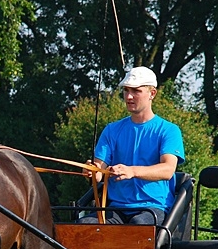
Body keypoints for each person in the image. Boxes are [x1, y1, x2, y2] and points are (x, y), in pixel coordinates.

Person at [79, 66, 185, 225]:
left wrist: (132, 171)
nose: (129, 96)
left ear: (152, 93)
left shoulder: (169, 130)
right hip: (115, 210)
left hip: (153, 209)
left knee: (137, 226)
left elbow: (168, 170)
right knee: (84, 226)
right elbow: (99, 172)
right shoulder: (111, 130)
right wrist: (91, 170)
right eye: (126, 90)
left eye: (136, 91)